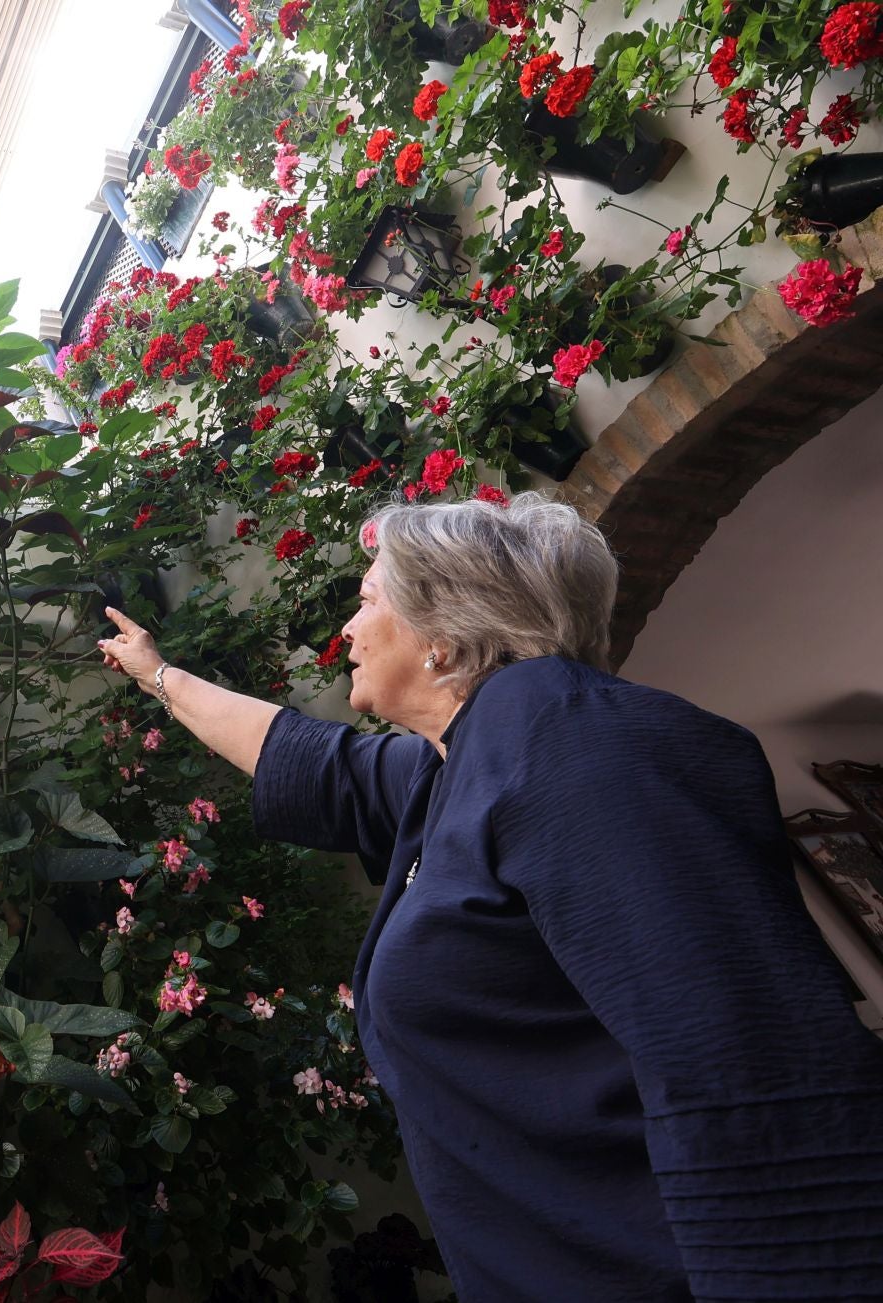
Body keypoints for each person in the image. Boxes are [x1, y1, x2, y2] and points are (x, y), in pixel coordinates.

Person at [95, 491, 883, 1302]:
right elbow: (317, 766)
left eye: (365, 602)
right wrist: (158, 674)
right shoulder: (457, 767)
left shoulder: (564, 736)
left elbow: (745, 1059)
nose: (347, 631)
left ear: (442, 628)